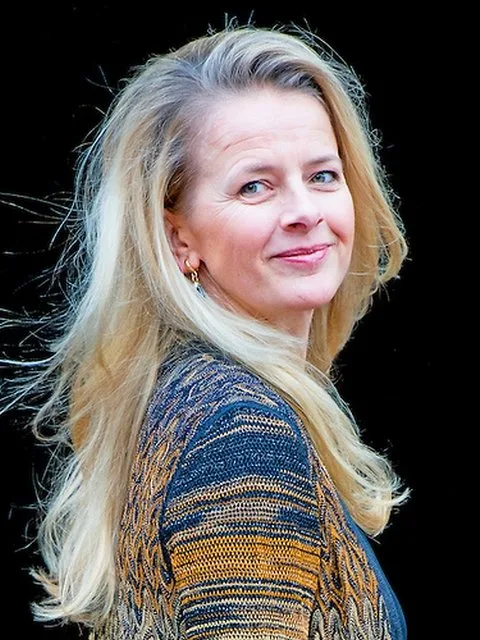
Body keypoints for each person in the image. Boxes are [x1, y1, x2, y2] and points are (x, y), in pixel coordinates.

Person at [1, 21, 410, 639]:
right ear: (178, 237)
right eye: (255, 185)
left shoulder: (187, 398)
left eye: (323, 175)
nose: (305, 211)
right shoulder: (242, 432)